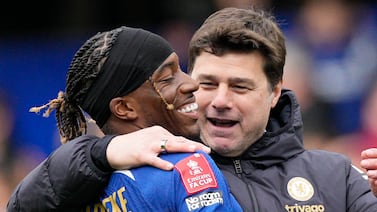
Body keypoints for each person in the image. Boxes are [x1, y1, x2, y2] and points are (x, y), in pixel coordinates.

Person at [8, 7, 377, 211]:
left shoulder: (337, 177)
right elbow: (24, 203)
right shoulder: (146, 170)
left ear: (275, 91)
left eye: (239, 86)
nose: (218, 100)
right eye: (207, 83)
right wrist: (103, 151)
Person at [7, 26, 241, 211]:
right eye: (167, 78)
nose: (191, 83)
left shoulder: (72, 191)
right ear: (125, 108)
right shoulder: (186, 166)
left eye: (181, 69)